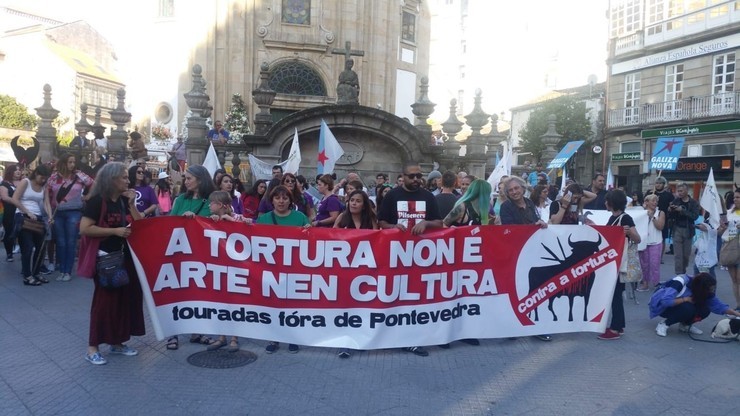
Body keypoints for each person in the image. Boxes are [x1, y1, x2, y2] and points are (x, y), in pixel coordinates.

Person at [79, 162, 144, 365]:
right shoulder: (97, 200)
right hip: (104, 258)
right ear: (112, 179)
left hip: (122, 257)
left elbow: (139, 223)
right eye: (124, 177)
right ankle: (92, 348)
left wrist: (132, 204)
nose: (128, 180)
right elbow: (85, 228)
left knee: (122, 301)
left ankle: (117, 342)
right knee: (104, 303)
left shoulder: (123, 201)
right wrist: (114, 231)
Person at [377, 161, 443, 357]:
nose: (416, 179)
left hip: (423, 257)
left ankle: (413, 339)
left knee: (416, 297)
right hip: (397, 255)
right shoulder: (392, 196)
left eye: (419, 176)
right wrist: (393, 227)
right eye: (412, 176)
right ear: (403, 176)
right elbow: (381, 221)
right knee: (396, 296)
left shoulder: (428, 196)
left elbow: (439, 222)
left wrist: (426, 222)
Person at [166, 165, 215, 350]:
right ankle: (173, 333)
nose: (185, 181)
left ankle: (197, 331)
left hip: (202, 254)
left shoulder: (211, 200)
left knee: (199, 293)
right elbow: (171, 223)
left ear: (200, 180)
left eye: (189, 178)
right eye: (185, 178)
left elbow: (215, 223)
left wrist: (197, 221)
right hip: (180, 253)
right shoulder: (180, 200)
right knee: (176, 292)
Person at [256, 185, 309, 354]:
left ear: (290, 201)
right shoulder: (264, 219)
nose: (281, 201)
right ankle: (274, 338)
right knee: (273, 304)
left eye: (285, 198)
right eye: (277, 198)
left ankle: (292, 338)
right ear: (271, 200)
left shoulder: (300, 217)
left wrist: (309, 230)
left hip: (294, 269)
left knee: (292, 304)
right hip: (271, 269)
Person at [499, 176, 551, 342]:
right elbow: (510, 229)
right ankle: (512, 327)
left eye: (516, 188)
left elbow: (536, 221)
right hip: (515, 255)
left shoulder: (529, 203)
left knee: (535, 290)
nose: (514, 192)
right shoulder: (506, 207)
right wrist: (531, 228)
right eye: (510, 190)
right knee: (516, 289)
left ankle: (537, 326)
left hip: (534, 253)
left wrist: (541, 223)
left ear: (522, 188)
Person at [206, 191, 250, 352]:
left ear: (222, 205)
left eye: (212, 203)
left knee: (235, 302)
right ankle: (222, 337)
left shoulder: (237, 217)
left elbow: (249, 229)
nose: (209, 205)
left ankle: (234, 338)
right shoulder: (210, 219)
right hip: (218, 267)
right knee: (220, 302)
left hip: (236, 268)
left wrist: (231, 220)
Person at [45, 154, 94, 282]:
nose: (72, 164)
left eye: (73, 162)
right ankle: (61, 269)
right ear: (63, 163)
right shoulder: (54, 177)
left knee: (71, 242)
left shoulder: (79, 176)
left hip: (74, 212)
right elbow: (47, 193)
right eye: (70, 162)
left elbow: (93, 185)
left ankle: (67, 270)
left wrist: (87, 197)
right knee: (60, 242)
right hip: (58, 212)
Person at [601, 189, 641, 340]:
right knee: (615, 294)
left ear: (612, 202)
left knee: (615, 295)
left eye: (607, 200)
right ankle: (619, 325)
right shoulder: (612, 218)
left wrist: (628, 232)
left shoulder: (626, 218)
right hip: (614, 262)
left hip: (619, 263)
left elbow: (637, 239)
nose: (605, 203)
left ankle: (615, 328)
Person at [651, 273, 740, 337]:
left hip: (681, 306)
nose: (712, 291)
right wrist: (685, 299)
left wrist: (736, 313)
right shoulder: (680, 281)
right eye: (710, 289)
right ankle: (664, 324)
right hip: (663, 308)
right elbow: (665, 301)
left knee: (706, 309)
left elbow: (718, 305)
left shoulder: (704, 290)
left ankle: (685, 325)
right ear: (702, 287)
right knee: (688, 308)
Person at [12, 165, 51, 286]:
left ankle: (36, 272)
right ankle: (27, 275)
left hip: (37, 217)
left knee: (41, 247)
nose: (43, 180)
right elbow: (15, 199)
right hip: (24, 217)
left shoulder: (44, 186)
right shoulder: (25, 182)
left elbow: (46, 202)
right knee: (27, 247)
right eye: (41, 177)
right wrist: (27, 211)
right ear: (36, 174)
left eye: (45, 178)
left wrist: (50, 216)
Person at [667, 182, 700, 275]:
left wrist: (682, 211)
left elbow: (695, 216)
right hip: (676, 228)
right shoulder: (675, 201)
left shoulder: (693, 202)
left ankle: (683, 271)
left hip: (688, 229)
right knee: (678, 255)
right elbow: (670, 215)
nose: (679, 193)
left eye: (681, 191)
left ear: (687, 191)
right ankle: (679, 274)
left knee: (686, 255)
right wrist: (670, 210)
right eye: (678, 191)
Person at [638, 194, 666, 292]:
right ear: (646, 202)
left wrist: (652, 218)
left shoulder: (660, 213)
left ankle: (656, 283)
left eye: (656, 201)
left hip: (656, 241)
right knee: (644, 264)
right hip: (644, 242)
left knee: (654, 264)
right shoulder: (642, 212)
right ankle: (645, 283)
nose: (655, 203)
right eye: (652, 201)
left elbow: (660, 226)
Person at [720, 188, 740, 311]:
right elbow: (720, 231)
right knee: (734, 280)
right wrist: (722, 227)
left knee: (739, 279)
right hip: (730, 248)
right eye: (734, 197)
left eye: (738, 197)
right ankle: (738, 305)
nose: (735, 199)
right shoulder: (728, 213)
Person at [644, 177, 674, 257]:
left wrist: (670, 208)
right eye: (657, 183)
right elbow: (644, 203)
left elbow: (672, 205)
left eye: (660, 183)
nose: (658, 185)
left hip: (662, 216)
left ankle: (660, 256)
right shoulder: (650, 193)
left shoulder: (668, 195)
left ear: (663, 185)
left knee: (662, 237)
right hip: (650, 216)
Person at [1, 164, 21, 262]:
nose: (18, 172)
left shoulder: (23, 182)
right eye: (15, 170)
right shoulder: (4, 184)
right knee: (9, 231)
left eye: (19, 170)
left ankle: (22, 249)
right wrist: (16, 201)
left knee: (22, 231)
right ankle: (9, 252)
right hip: (9, 211)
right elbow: (4, 197)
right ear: (10, 172)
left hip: (21, 211)